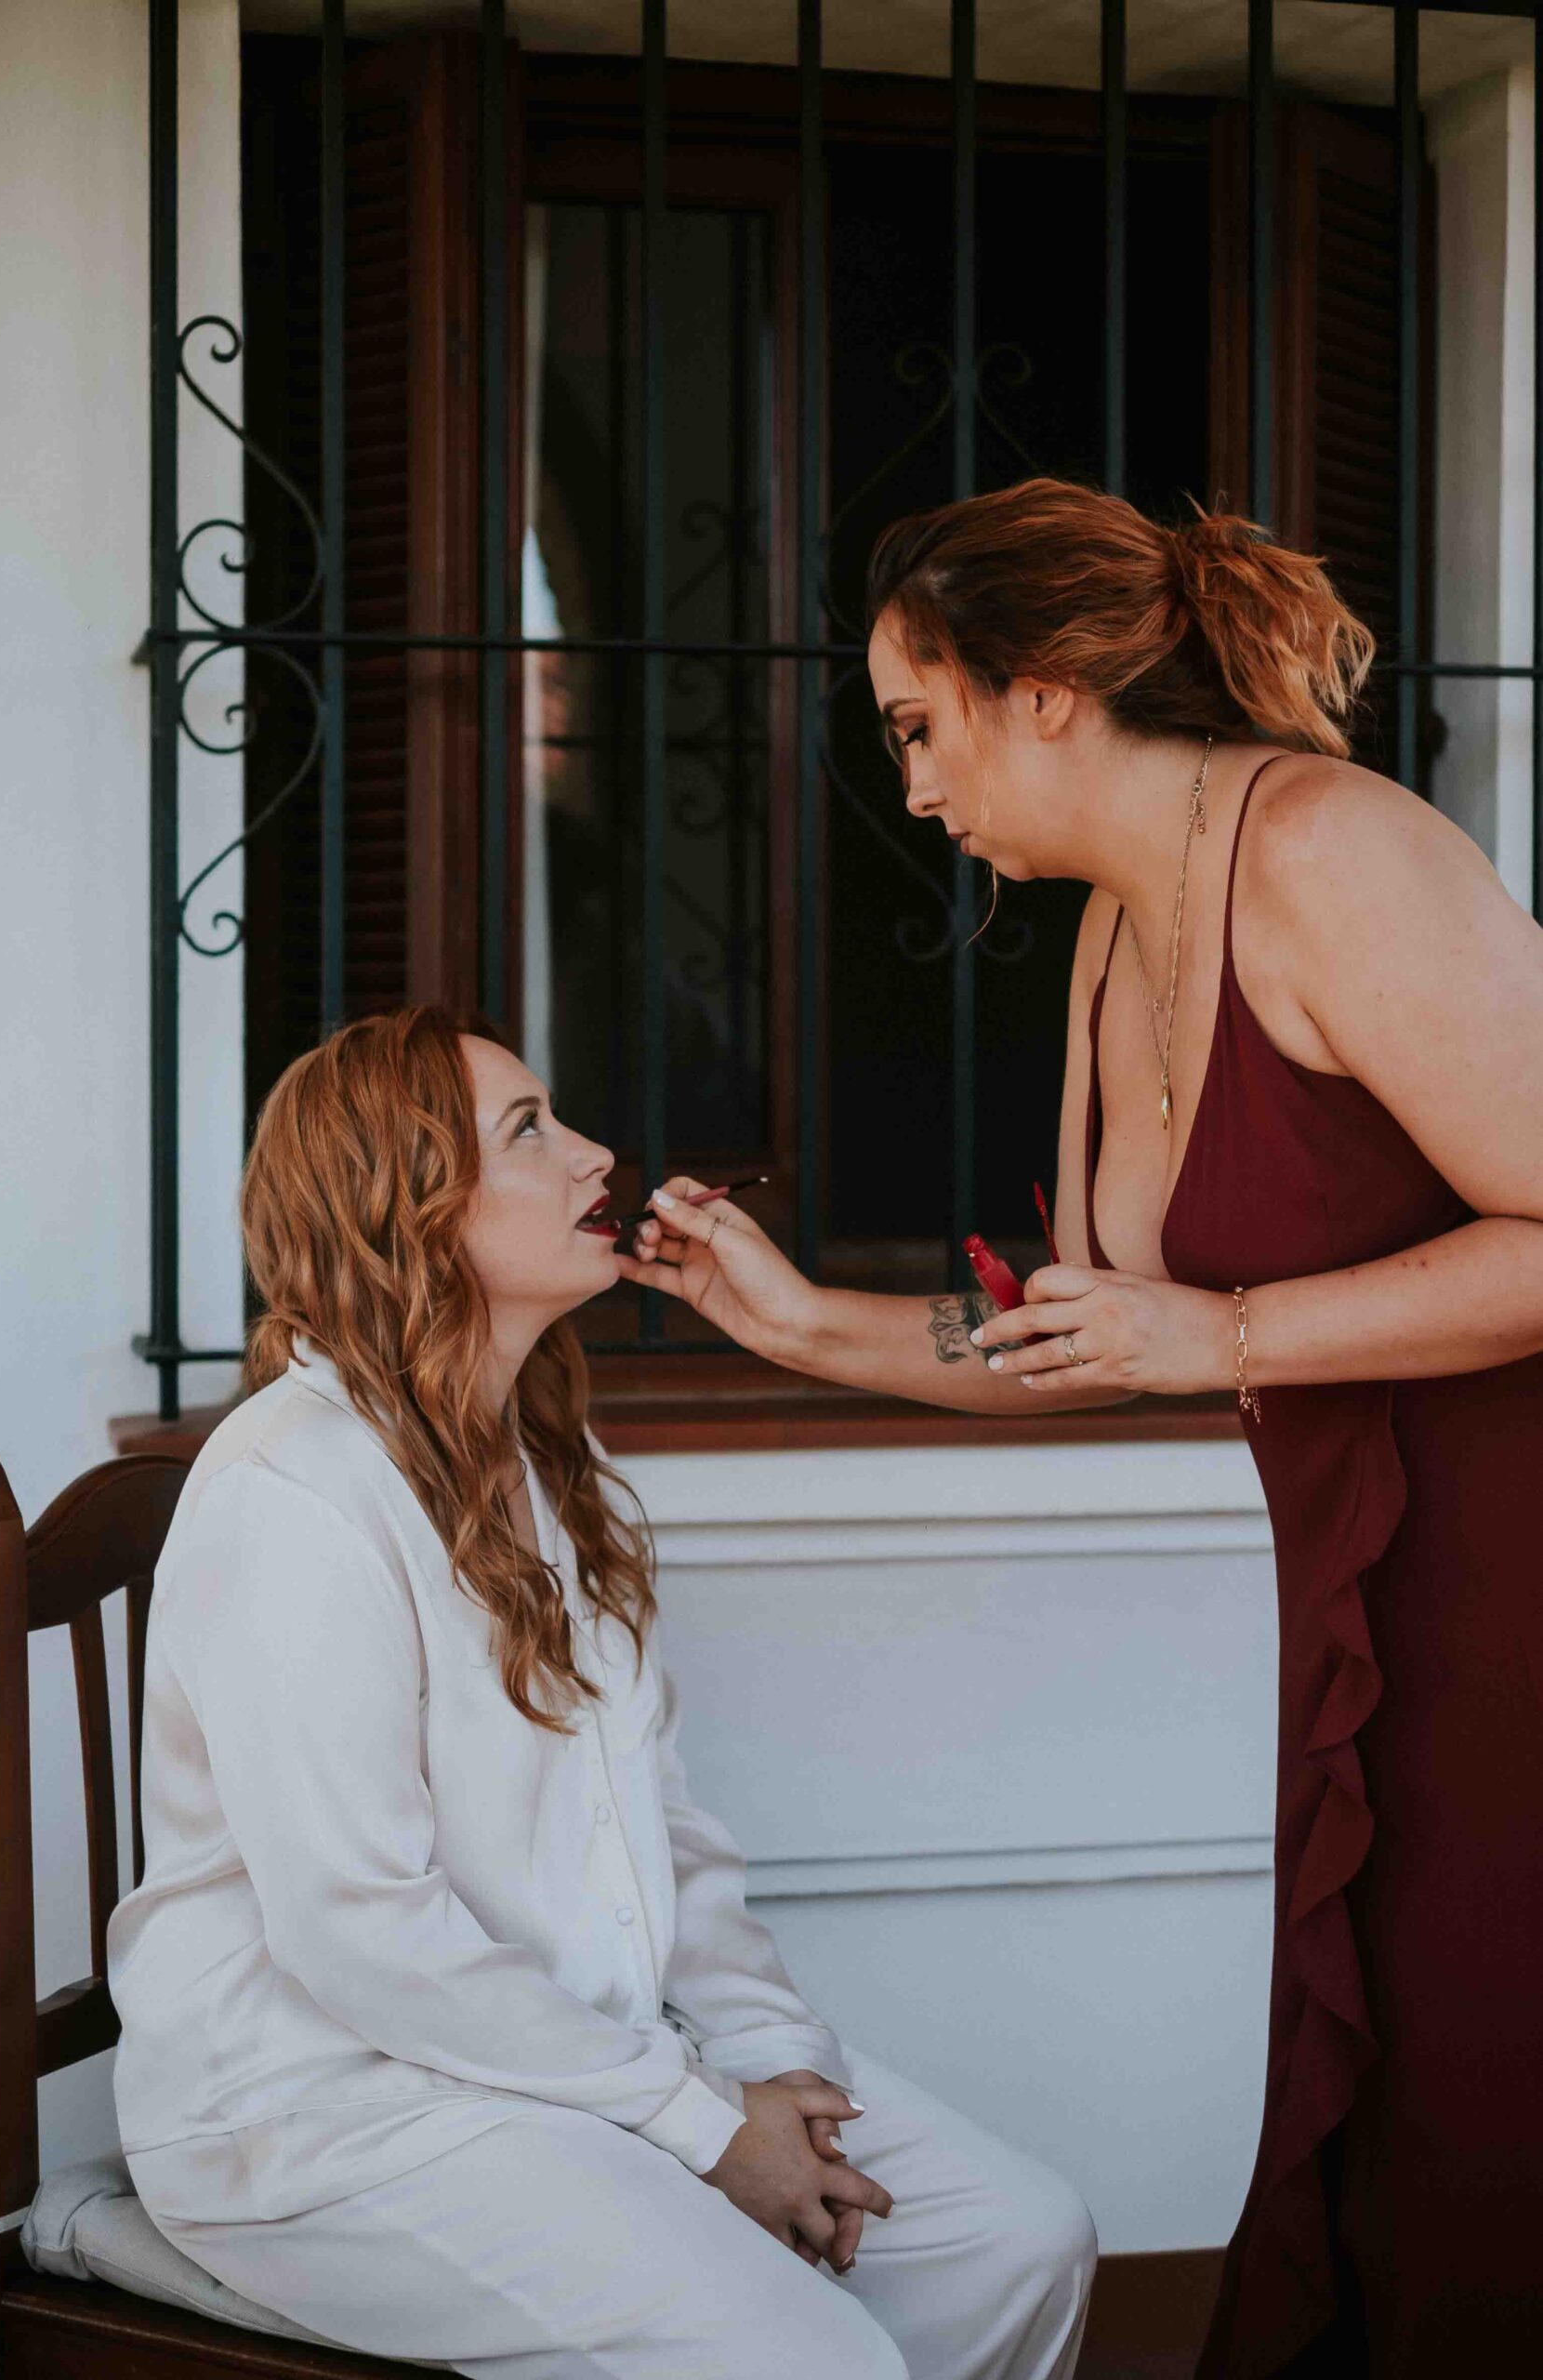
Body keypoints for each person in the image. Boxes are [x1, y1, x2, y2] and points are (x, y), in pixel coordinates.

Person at [625, 479, 1543, 2379]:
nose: (908, 786)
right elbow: (1092, 1331)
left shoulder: (1332, 850)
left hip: (1512, 1591)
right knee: (1402, 2125)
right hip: (1366, 1604)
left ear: (1040, 691)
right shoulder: (1115, 931)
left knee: (1484, 2110)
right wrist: (792, 1319)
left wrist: (1228, 1330)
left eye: (916, 723)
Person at [107, 1006, 1095, 2380]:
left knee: (1021, 2243)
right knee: (816, 2362)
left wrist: (774, 2069)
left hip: (582, 2059)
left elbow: (662, 1839)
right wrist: (703, 2123)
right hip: (328, 2110)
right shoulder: (296, 1492)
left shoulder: (538, 1457)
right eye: (530, 1131)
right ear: (407, 1207)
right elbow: (360, 1931)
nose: (597, 1155)